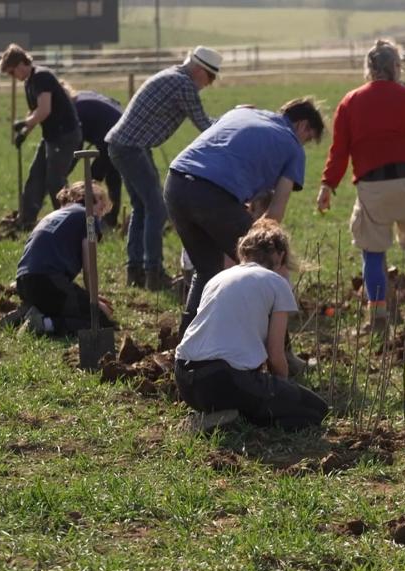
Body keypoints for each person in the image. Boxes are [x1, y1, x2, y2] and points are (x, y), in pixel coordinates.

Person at [317, 40, 405, 334]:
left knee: (373, 254)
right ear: (395, 67)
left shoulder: (350, 101)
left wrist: (327, 184)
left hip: (372, 187)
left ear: (369, 69)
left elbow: (339, 150)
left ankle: (377, 320)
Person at [165, 98, 324, 336]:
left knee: (207, 270)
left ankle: (185, 345)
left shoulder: (242, 114)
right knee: (268, 265)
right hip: (212, 194)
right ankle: (279, 352)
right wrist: (267, 248)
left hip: (176, 182)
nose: (304, 143)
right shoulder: (292, 146)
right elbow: (274, 215)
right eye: (308, 138)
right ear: (302, 126)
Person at [174, 219, 329, 432]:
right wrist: (282, 388)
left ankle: (224, 415)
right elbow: (276, 355)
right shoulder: (277, 283)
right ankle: (230, 418)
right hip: (222, 379)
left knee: (257, 396)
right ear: (280, 256)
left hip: (185, 379)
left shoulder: (217, 278)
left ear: (243, 253)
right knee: (316, 410)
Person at [105, 46, 222, 290]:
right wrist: (233, 121)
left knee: (142, 207)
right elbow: (204, 124)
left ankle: (135, 270)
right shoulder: (184, 85)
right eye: (210, 77)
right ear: (200, 70)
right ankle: (153, 273)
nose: (209, 84)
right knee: (157, 210)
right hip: (132, 147)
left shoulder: (171, 75)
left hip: (123, 145)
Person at [10, 181, 115, 336]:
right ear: (88, 197)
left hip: (24, 282)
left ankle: (30, 312)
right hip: (47, 282)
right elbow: (89, 267)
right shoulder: (89, 219)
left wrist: (88, 297)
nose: (102, 209)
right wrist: (94, 304)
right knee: (99, 319)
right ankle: (43, 324)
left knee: (77, 307)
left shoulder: (56, 214)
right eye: (101, 200)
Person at [0, 44, 82, 229]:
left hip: (65, 135)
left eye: (12, 72)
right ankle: (26, 220)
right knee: (35, 176)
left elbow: (44, 110)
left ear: (21, 63)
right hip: (51, 136)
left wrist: (25, 123)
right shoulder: (29, 82)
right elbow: (34, 111)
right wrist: (24, 133)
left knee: (55, 181)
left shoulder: (42, 77)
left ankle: (67, 221)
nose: (13, 77)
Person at [64, 84, 124, 229]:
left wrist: (65, 170)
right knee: (112, 177)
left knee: (92, 178)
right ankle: (110, 217)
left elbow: (77, 143)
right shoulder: (81, 96)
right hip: (119, 132)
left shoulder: (75, 111)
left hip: (113, 138)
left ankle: (91, 216)